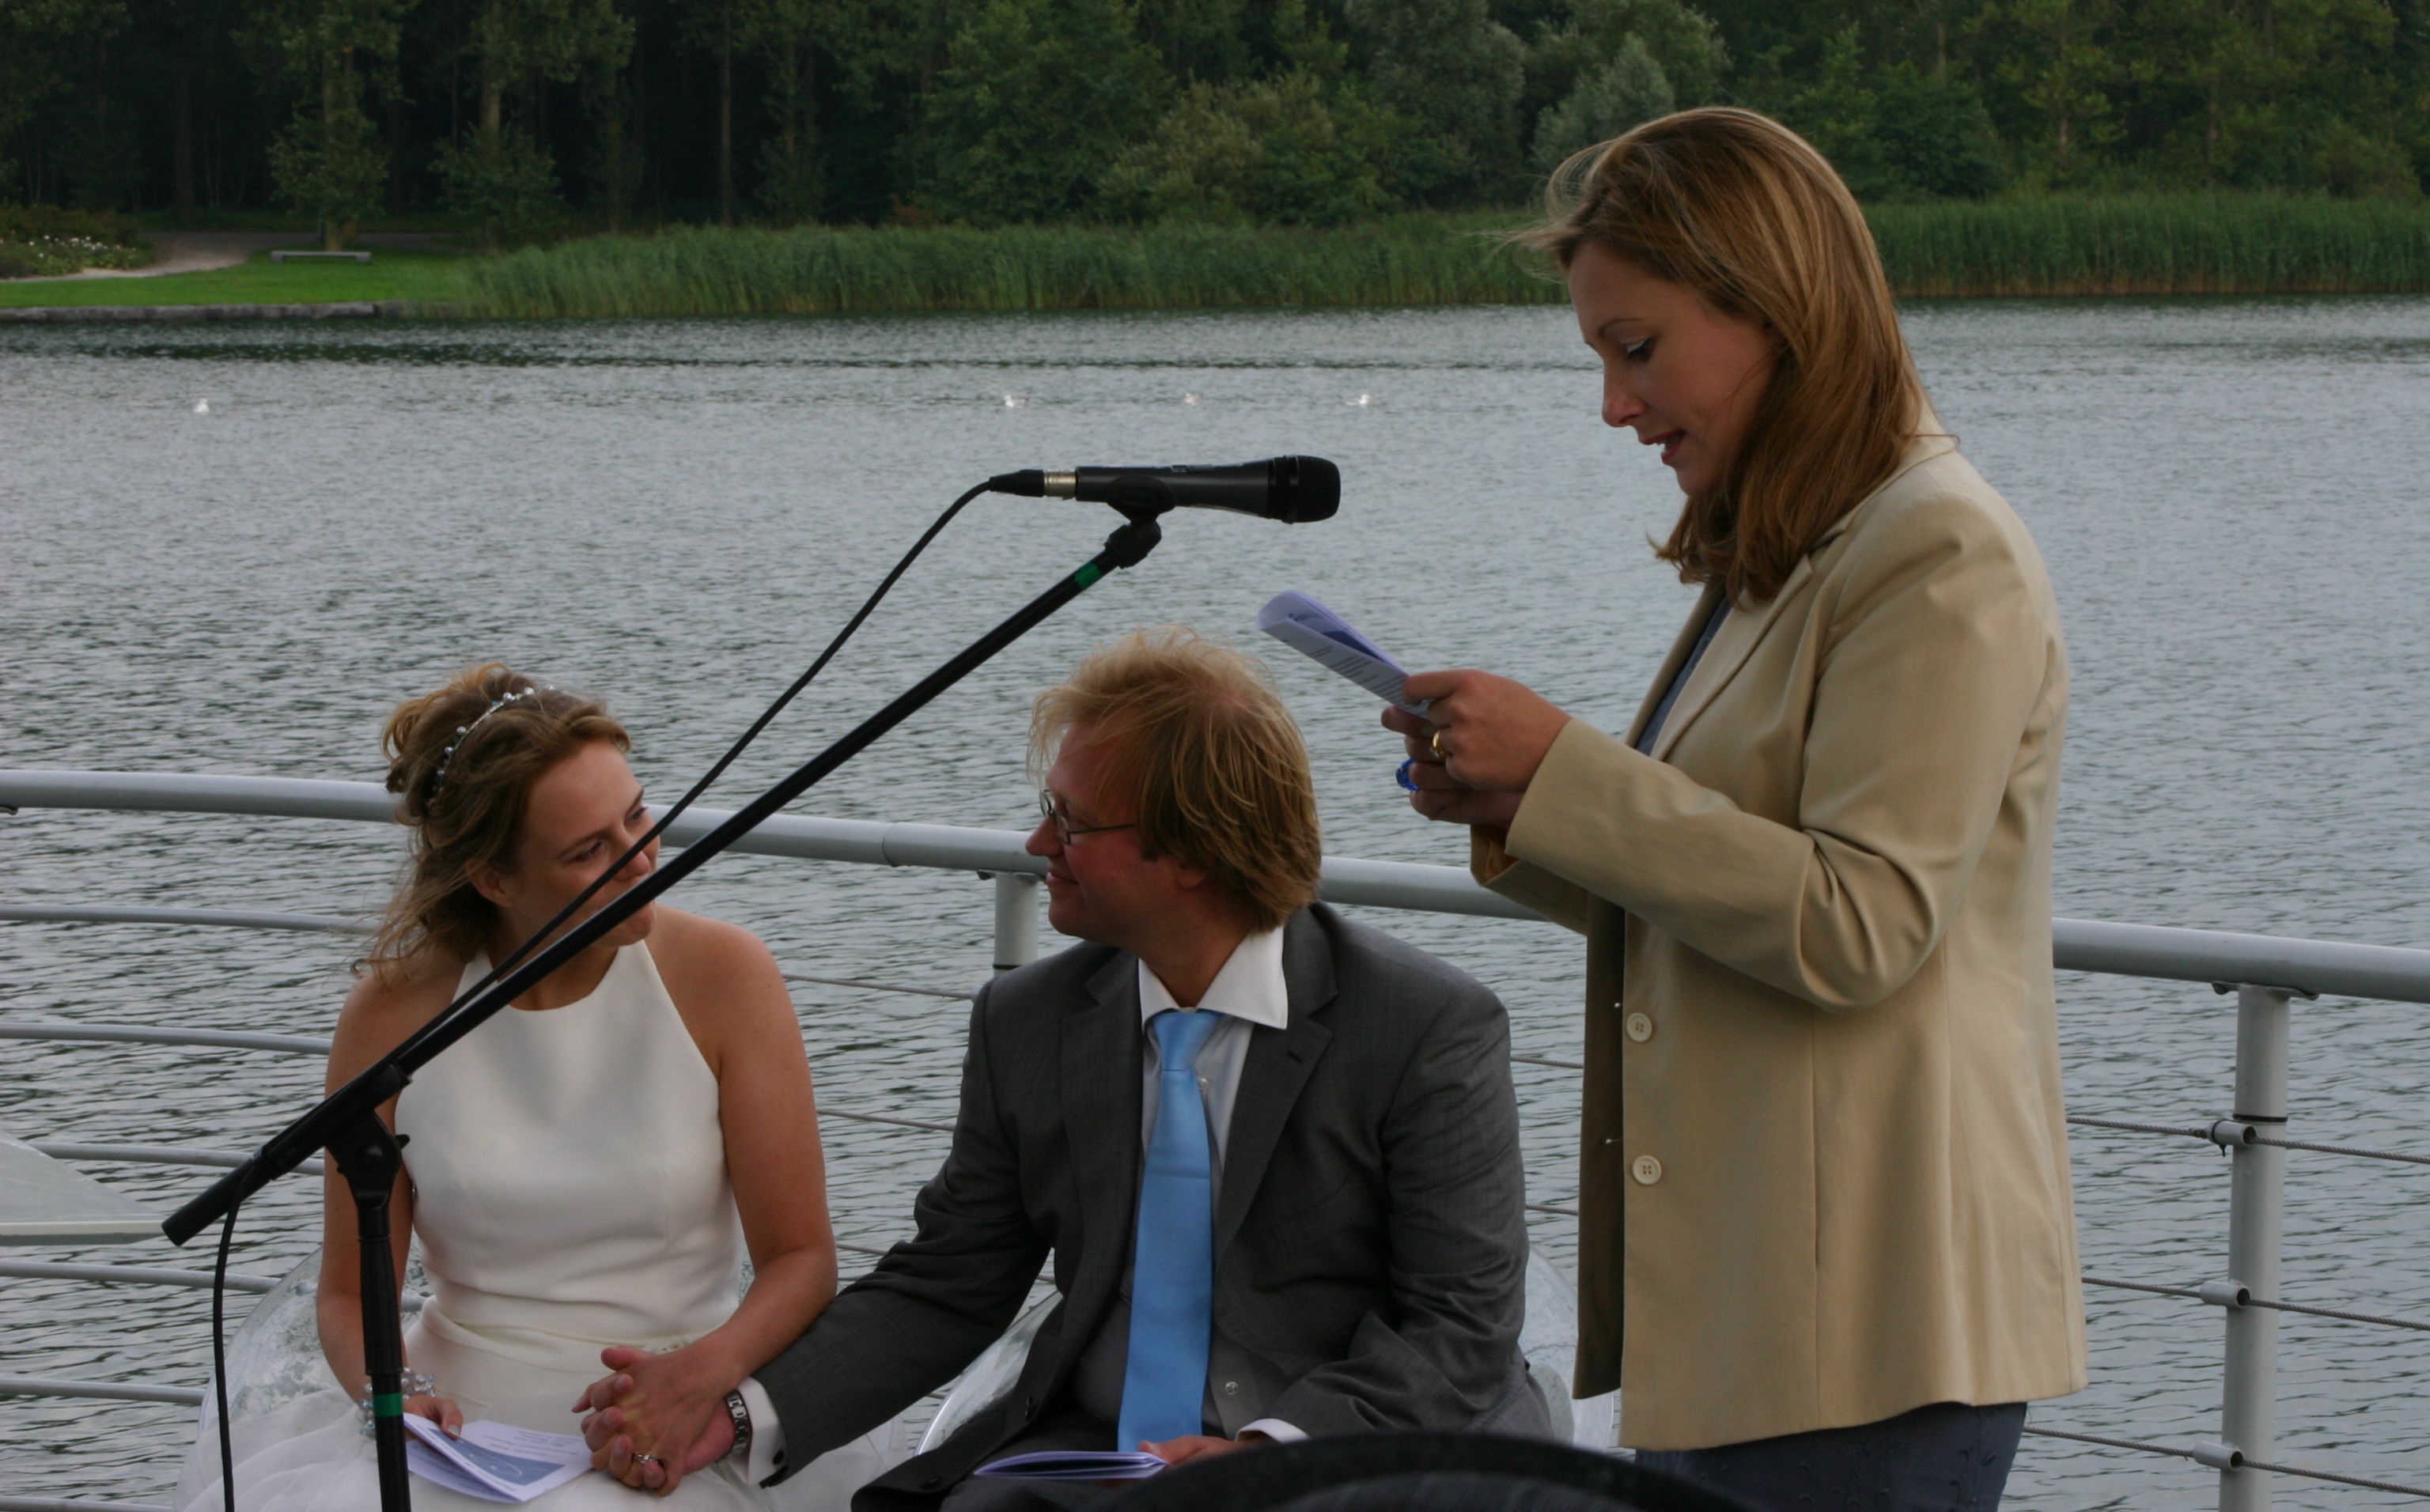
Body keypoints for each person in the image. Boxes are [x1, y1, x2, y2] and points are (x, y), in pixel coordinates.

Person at [1378, 108, 2085, 1510]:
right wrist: (1521, 803)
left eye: (1637, 348)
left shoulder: (1938, 547)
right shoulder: (1796, 548)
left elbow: (1859, 924)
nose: (1615, 405)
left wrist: (1570, 771)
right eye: (1601, 358)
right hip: (1754, 1314)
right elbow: (1719, 886)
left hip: (1871, 1330)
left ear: (1773, 307)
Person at [582, 628, 1547, 1509]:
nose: (1039, 844)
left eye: (1073, 823)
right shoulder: (1027, 1020)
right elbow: (949, 1282)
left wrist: (1265, 1450)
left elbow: (1457, 1327)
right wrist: (738, 1415)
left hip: (1357, 1456)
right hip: (1096, 1454)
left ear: (1194, 851)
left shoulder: (1423, 1025)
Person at [177, 665, 892, 1512]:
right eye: (588, 851)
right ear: (495, 879)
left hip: (667, 1412)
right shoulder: (393, 1011)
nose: (640, 859)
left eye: (637, 816)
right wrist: (392, 1396)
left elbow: (803, 1261)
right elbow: (346, 1292)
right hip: (457, 1426)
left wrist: (700, 1379)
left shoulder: (726, 975)